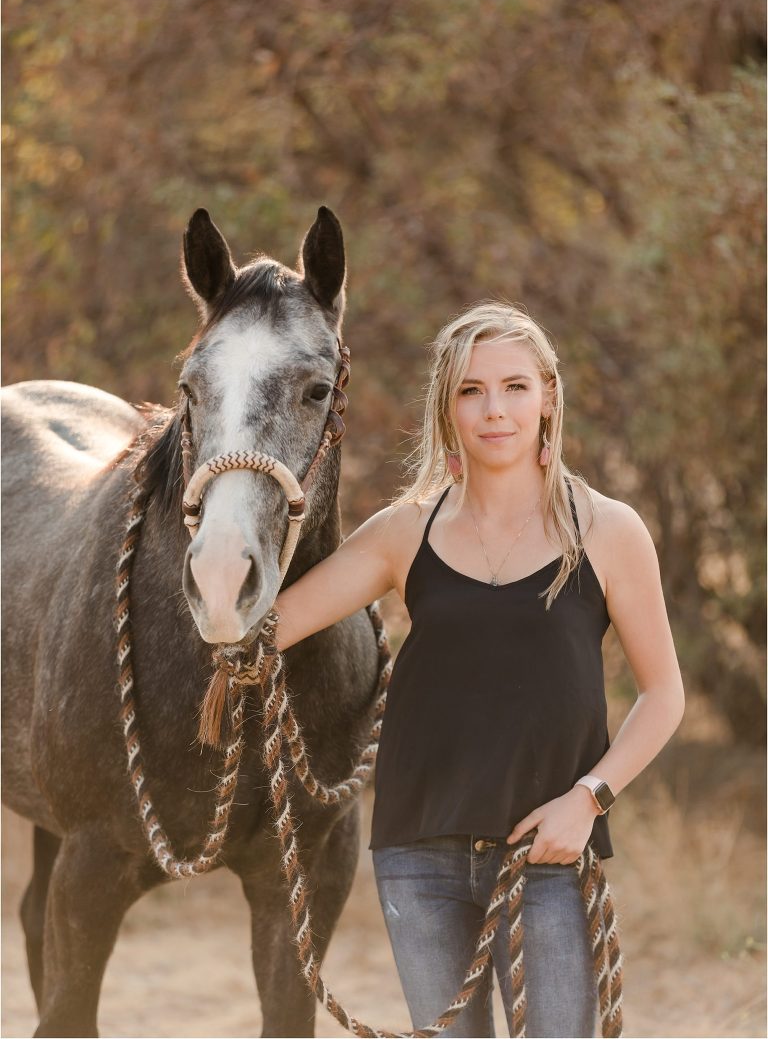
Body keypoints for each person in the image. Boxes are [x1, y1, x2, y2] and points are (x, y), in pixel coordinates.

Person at [274, 300, 685, 1039]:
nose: (494, 409)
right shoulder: (408, 529)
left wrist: (589, 799)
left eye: (515, 386)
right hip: (417, 856)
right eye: (471, 390)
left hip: (551, 853)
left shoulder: (609, 531)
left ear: (549, 396)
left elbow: (663, 695)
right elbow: (267, 627)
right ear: (448, 406)